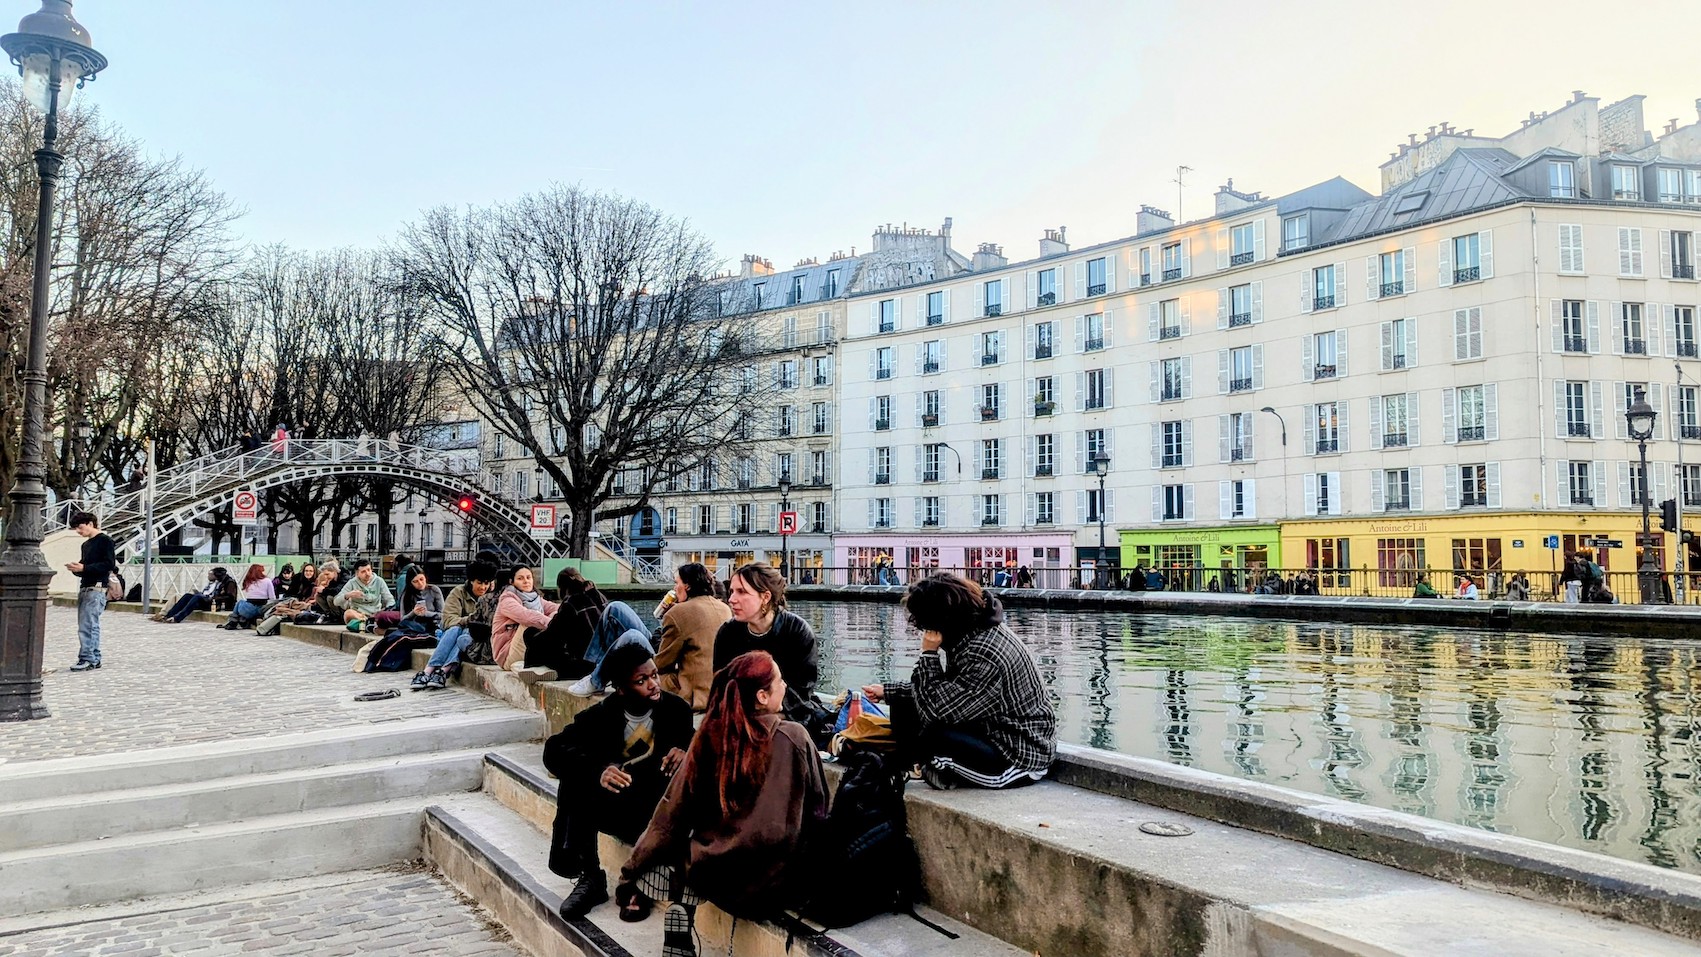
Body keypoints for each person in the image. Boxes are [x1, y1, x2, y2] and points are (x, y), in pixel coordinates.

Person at [617, 651, 829, 932]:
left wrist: (629, 874)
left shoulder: (709, 737)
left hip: (714, 876)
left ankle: (681, 892)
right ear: (763, 696)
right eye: (779, 680)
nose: (785, 686)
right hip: (775, 887)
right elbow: (819, 813)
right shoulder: (795, 737)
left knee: (683, 846)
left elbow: (669, 816)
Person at [863, 573, 1056, 790]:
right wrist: (890, 691)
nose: (923, 631)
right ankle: (911, 767)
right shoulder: (973, 632)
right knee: (901, 702)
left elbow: (935, 712)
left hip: (1016, 757)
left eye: (924, 625)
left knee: (932, 734)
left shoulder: (984, 653)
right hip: (991, 732)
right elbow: (950, 693)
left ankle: (917, 768)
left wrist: (928, 653)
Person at [546, 641, 695, 918]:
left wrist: (687, 753)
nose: (653, 684)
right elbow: (553, 750)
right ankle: (590, 878)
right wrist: (598, 770)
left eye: (654, 675)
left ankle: (641, 880)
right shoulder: (600, 716)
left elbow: (704, 746)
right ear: (622, 688)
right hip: (617, 804)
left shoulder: (677, 710)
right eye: (642, 680)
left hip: (658, 809)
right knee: (575, 780)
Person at [711, 563, 821, 730]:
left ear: (765, 597)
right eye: (732, 591)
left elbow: (800, 695)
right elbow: (720, 687)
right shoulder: (728, 632)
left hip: (788, 716)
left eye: (742, 592)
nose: (731, 599)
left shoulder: (797, 631)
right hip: (738, 716)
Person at [650, 562, 732, 712]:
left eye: (677, 583)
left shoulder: (678, 613)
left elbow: (661, 664)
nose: (675, 588)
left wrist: (669, 618)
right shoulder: (724, 608)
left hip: (693, 693)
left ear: (687, 586)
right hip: (718, 691)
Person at [413, 561, 498, 690]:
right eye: (479, 583)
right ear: (471, 581)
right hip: (456, 633)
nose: (483, 587)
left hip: (477, 641)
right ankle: (434, 671)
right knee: (456, 629)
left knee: (464, 633)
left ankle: (437, 671)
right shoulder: (458, 593)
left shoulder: (492, 598)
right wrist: (469, 620)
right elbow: (447, 619)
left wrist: (470, 623)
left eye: (486, 583)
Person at [65, 511, 115, 671]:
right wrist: (77, 569)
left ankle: (87, 658)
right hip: (86, 586)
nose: (79, 532)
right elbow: (86, 566)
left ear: (90, 524)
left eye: (80, 527)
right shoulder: (86, 545)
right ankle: (93, 657)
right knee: (88, 624)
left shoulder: (105, 541)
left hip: (97, 587)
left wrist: (84, 568)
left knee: (88, 625)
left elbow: (109, 564)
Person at [493, 566, 559, 670]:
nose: (526, 581)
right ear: (512, 582)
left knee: (555, 613)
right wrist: (555, 625)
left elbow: (556, 608)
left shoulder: (536, 599)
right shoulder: (507, 600)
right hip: (507, 656)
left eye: (528, 577)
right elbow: (527, 616)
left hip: (528, 648)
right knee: (529, 623)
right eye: (520, 578)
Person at [155, 568, 232, 623]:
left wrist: (213, 598)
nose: (211, 576)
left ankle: (177, 618)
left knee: (197, 597)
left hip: (214, 603)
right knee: (187, 596)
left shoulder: (228, 583)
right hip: (208, 600)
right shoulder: (217, 582)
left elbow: (229, 597)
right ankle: (168, 615)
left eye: (213, 575)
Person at [335, 559, 393, 629]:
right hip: (358, 614)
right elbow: (336, 601)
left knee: (385, 615)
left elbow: (389, 599)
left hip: (375, 613)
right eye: (363, 572)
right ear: (357, 573)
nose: (367, 573)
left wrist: (388, 610)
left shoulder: (379, 581)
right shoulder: (352, 583)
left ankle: (368, 624)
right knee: (348, 614)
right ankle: (367, 623)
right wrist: (348, 595)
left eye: (369, 570)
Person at [221, 564, 276, 629]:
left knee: (239, 602)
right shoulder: (267, 581)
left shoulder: (249, 581)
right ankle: (242, 620)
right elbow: (272, 598)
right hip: (262, 608)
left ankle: (233, 621)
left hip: (249, 609)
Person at [397, 568, 445, 634]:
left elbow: (443, 615)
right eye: (415, 581)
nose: (420, 583)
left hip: (433, 624)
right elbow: (402, 619)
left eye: (421, 579)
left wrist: (426, 613)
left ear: (425, 578)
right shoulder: (407, 594)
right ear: (410, 583)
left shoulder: (434, 590)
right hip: (414, 625)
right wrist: (413, 613)